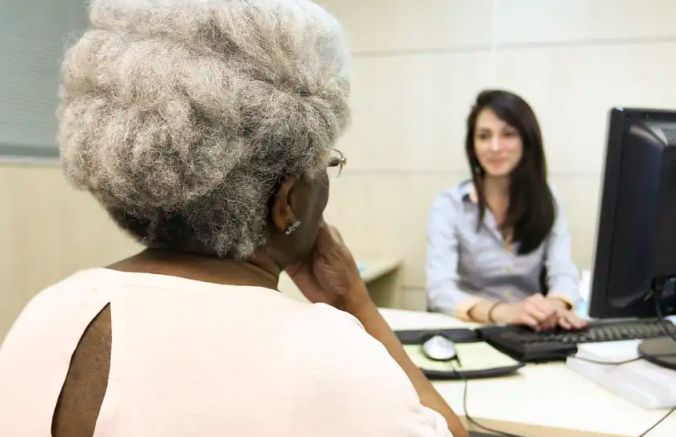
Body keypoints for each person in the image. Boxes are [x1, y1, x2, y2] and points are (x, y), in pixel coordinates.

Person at [0, 1, 467, 436]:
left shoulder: (51, 311)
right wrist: (357, 306)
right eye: (328, 163)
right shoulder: (333, 356)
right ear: (286, 200)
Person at [426, 90, 586, 331]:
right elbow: (439, 289)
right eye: (484, 136)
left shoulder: (549, 199)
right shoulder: (449, 205)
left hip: (532, 328)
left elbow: (563, 271)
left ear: (527, 140)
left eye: (508, 134)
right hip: (473, 327)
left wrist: (553, 307)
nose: (495, 147)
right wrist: (504, 312)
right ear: (472, 145)